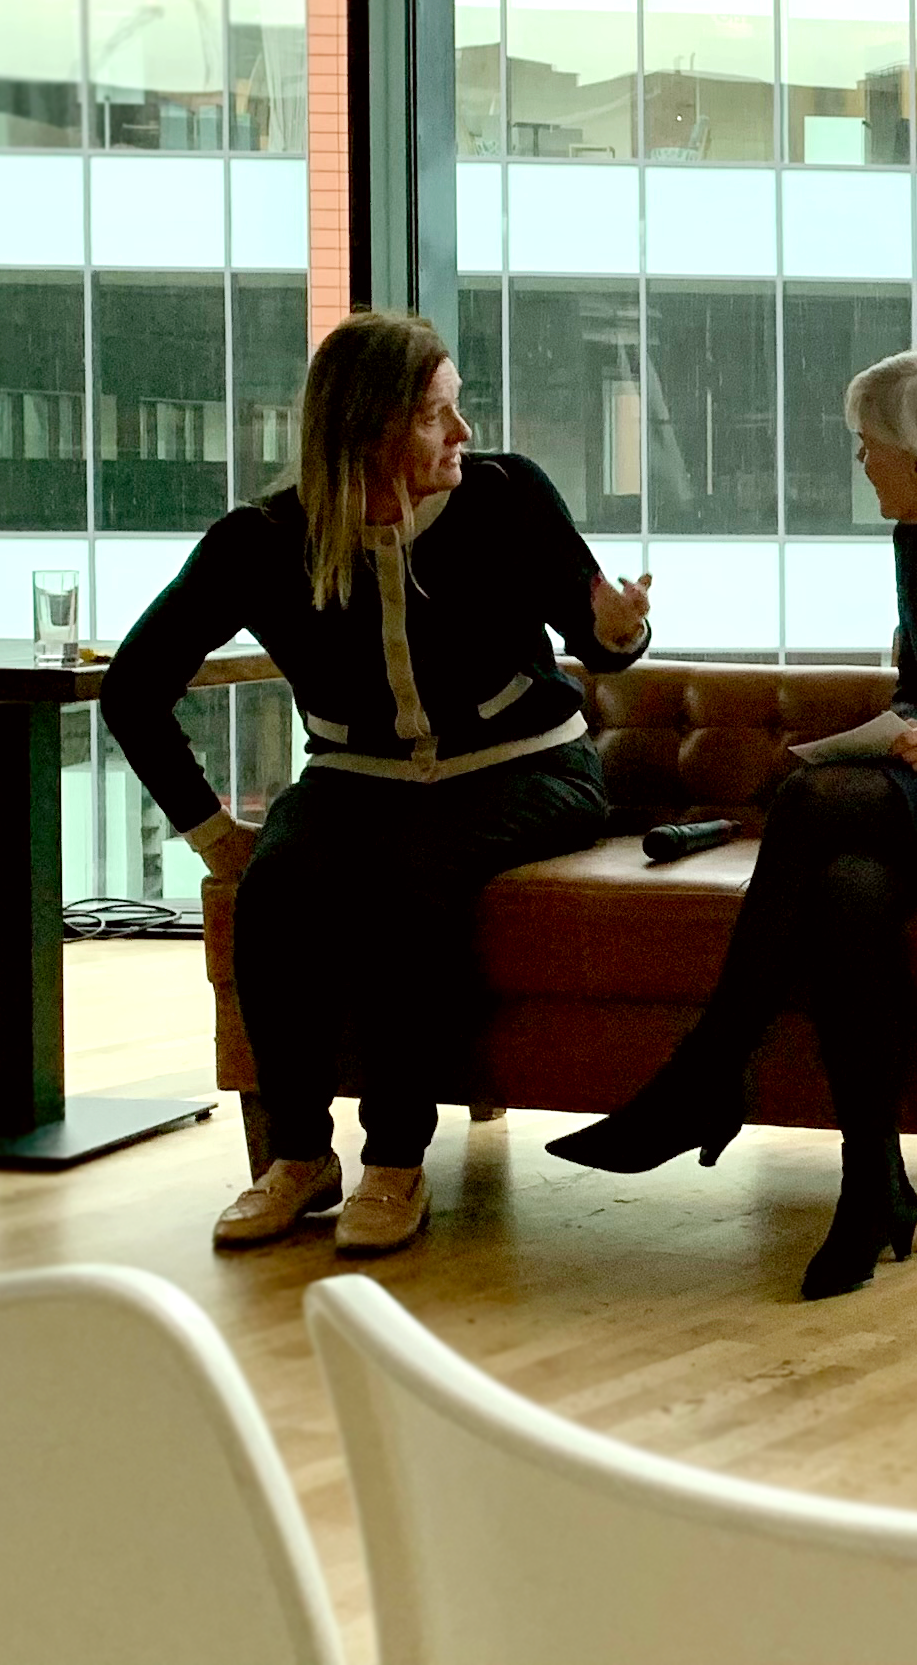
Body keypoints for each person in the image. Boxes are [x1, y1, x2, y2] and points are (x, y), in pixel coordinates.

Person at [547, 347, 917, 1300]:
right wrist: (898, 731)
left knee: (811, 801)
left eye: (869, 446)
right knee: (842, 889)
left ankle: (710, 1068)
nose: (859, 462)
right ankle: (872, 1184)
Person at [101, 312, 653, 1257]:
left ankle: (395, 1162)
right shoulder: (262, 539)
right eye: (440, 415)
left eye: (459, 410)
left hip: (533, 767)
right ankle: (297, 1158)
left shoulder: (508, 496)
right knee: (273, 886)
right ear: (370, 427)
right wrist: (211, 832)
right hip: (360, 777)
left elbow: (602, 638)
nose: (463, 434)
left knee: (411, 878)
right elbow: (133, 689)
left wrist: (619, 627)